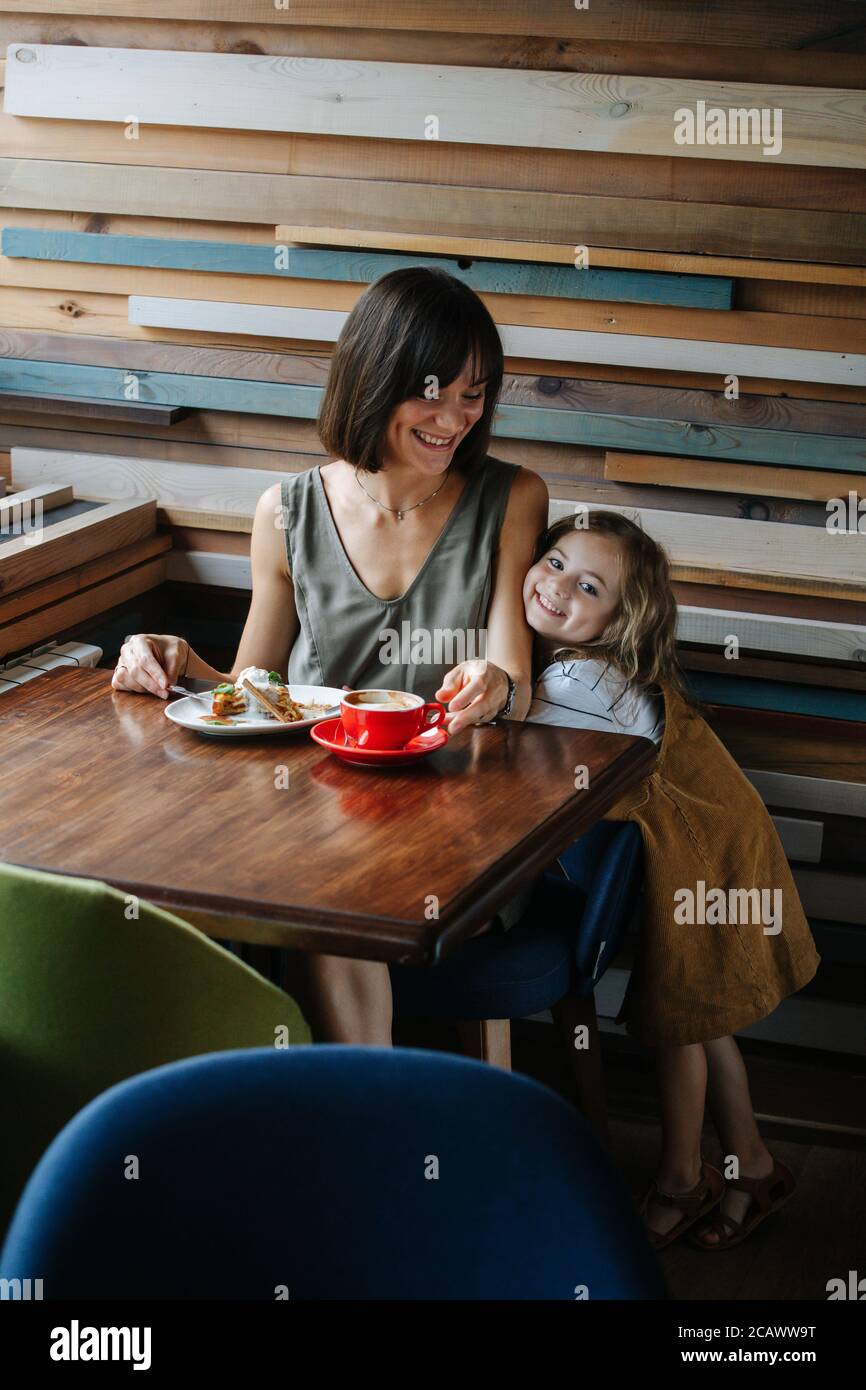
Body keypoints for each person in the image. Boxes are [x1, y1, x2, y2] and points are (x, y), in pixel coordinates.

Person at [112, 266, 549, 1046]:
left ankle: (355, 1132)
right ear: (374, 381)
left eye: (473, 394)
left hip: (456, 817)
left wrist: (495, 682)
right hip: (315, 813)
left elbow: (515, 685)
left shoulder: (512, 498)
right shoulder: (285, 512)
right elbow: (259, 690)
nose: (454, 418)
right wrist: (176, 662)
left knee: (324, 902)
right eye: (433, 391)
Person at [521, 508, 820, 1251]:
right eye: (554, 562)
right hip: (714, 848)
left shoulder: (575, 683)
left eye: (587, 586)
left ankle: (682, 1181)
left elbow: (508, 716)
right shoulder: (585, 669)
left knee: (681, 1023)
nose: (557, 587)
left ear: (621, 620)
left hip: (706, 862)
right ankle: (751, 1164)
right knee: (706, 1022)